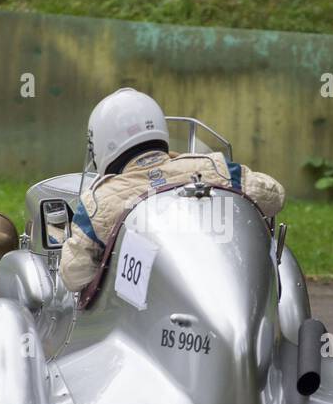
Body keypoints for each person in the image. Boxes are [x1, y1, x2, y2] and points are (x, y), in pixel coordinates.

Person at [59, 88, 284, 292]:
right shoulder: (215, 168)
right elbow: (275, 197)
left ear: (101, 142)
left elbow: (74, 277)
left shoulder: (97, 203)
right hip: (227, 288)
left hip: (150, 315)